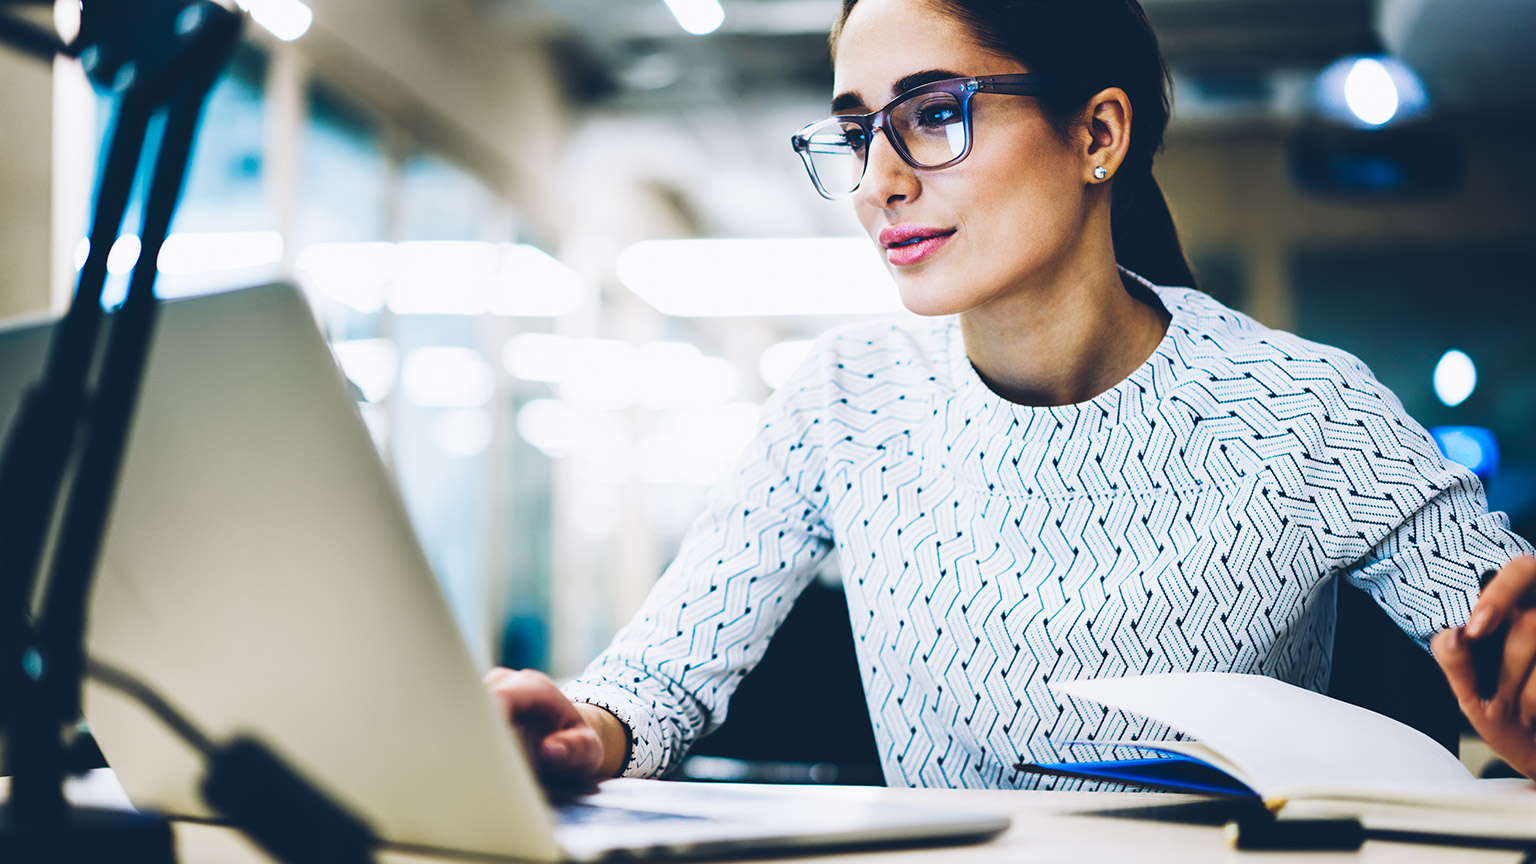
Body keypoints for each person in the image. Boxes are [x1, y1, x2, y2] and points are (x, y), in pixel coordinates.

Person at [484, 0, 1536, 787]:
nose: (877, 180)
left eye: (934, 114)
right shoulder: (844, 404)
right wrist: (584, 728)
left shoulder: (1305, 413)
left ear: (1098, 136)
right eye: (857, 131)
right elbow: (660, 680)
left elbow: (1511, 643)